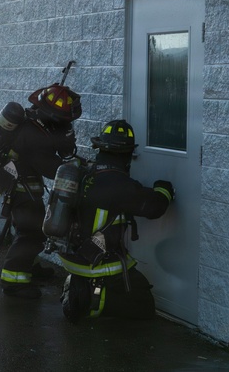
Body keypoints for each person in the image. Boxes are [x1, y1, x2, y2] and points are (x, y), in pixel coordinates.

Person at [58, 119, 174, 322]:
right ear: (126, 154)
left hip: (74, 258)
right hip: (97, 263)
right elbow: (154, 207)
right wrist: (164, 189)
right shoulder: (118, 183)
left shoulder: (86, 173)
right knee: (144, 305)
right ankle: (92, 301)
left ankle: (80, 293)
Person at [0, 83, 81, 298]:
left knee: (27, 228)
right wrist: (73, 164)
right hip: (19, 186)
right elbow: (53, 170)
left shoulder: (35, 120)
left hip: (17, 181)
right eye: (64, 121)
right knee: (31, 232)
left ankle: (28, 267)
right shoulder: (34, 135)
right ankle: (13, 282)